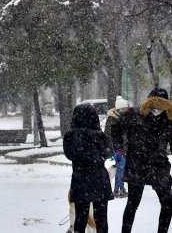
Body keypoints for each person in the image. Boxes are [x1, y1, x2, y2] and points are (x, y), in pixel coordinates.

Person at [111, 87, 172, 233]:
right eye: (155, 103)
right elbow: (116, 128)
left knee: (168, 204)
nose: (157, 107)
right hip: (137, 164)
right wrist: (119, 148)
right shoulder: (135, 114)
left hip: (159, 165)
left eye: (162, 104)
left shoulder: (168, 119)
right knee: (133, 203)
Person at [63, 103, 113, 233]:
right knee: (101, 218)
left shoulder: (70, 136)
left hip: (80, 179)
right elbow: (109, 153)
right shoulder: (99, 135)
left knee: (80, 217)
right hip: (99, 179)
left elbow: (69, 155)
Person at [103, 95, 131, 198]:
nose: (125, 110)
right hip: (116, 149)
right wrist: (116, 148)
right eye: (123, 109)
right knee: (119, 169)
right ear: (119, 109)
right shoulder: (113, 119)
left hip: (122, 148)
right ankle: (117, 189)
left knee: (121, 169)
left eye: (126, 108)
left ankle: (120, 189)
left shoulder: (123, 117)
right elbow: (110, 135)